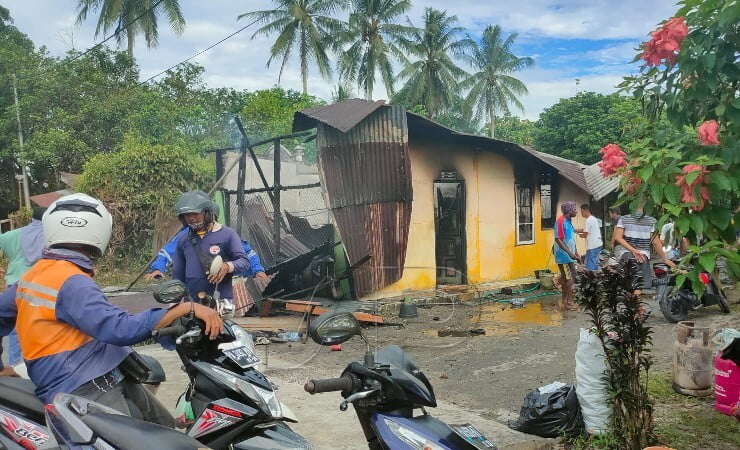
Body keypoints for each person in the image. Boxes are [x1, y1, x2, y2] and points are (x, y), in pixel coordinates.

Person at [0, 193, 222, 425]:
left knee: (166, 426)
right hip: (84, 385)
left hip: (105, 372)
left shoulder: (34, 275)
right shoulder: (72, 280)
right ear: (100, 231)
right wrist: (184, 308)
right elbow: (119, 329)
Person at [172, 191, 267, 303]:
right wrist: (174, 305)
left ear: (206, 213)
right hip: (193, 305)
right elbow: (177, 276)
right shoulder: (183, 240)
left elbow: (244, 261)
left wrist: (227, 266)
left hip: (221, 302)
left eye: (195, 214)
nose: (191, 218)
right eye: (188, 215)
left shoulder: (227, 234)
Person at [145, 202, 266, 281]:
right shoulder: (185, 236)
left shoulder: (226, 234)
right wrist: (158, 269)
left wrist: (258, 271)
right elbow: (166, 253)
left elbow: (248, 254)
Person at [0, 207, 46, 376]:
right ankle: (32, 366)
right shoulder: (48, 235)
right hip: (35, 286)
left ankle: (14, 364)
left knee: (13, 329)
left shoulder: (12, 236)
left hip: (12, 284)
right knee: (35, 327)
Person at [613, 208, 676, 299]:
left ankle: (636, 308)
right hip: (642, 256)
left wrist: (633, 250)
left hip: (626, 255)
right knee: (639, 284)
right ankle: (637, 308)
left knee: (630, 283)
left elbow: (618, 238)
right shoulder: (651, 221)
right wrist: (665, 259)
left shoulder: (624, 219)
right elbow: (655, 242)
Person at [554, 201, 581, 310]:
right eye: (574, 209)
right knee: (572, 277)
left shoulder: (568, 221)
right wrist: (570, 253)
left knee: (566, 278)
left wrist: (576, 253)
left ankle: (565, 300)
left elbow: (571, 240)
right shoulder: (560, 221)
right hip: (563, 255)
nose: (576, 211)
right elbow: (558, 239)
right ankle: (569, 302)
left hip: (569, 254)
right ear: (569, 210)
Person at [578, 204, 603, 272]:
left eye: (582, 212)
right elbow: (585, 230)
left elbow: (585, 234)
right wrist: (575, 230)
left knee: (590, 265)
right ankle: (596, 277)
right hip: (597, 244)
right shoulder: (593, 219)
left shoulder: (588, 220)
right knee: (594, 263)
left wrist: (580, 235)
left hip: (592, 246)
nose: (581, 214)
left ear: (586, 211)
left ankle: (591, 279)